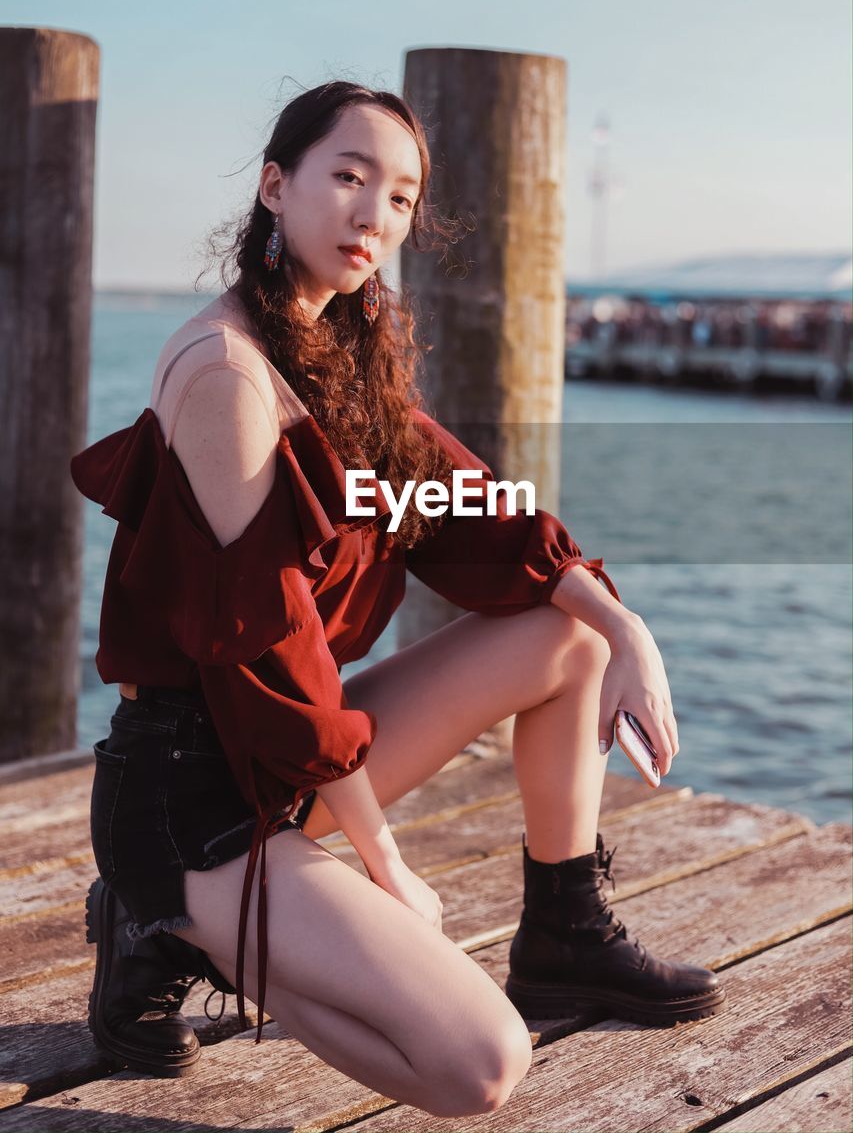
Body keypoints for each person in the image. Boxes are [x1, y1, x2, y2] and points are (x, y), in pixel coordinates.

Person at [70, 80, 724, 1115]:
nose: (375, 213)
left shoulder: (339, 349)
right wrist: (389, 867)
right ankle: (166, 921)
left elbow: (478, 509)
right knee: (481, 1063)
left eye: (403, 196)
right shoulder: (227, 375)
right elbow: (267, 660)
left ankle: (563, 931)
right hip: (196, 806)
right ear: (276, 187)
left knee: (568, 633)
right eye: (348, 175)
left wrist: (622, 620)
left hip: (279, 771)